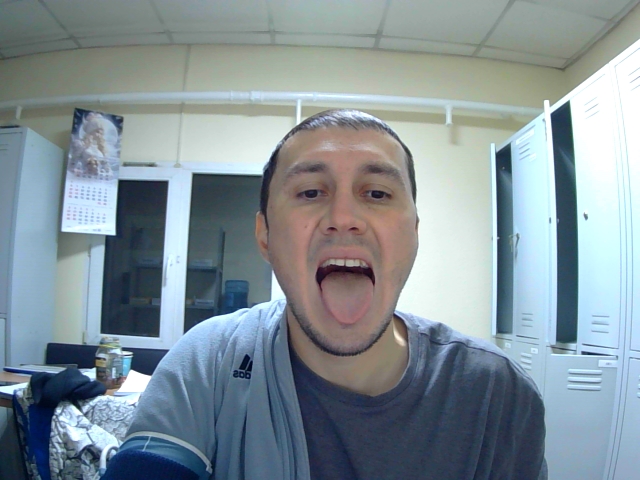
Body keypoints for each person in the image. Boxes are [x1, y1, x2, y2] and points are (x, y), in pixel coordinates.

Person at [103, 109, 547, 480]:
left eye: (377, 193)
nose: (344, 216)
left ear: (414, 232)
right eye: (311, 191)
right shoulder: (208, 362)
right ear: (265, 235)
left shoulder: (496, 394)